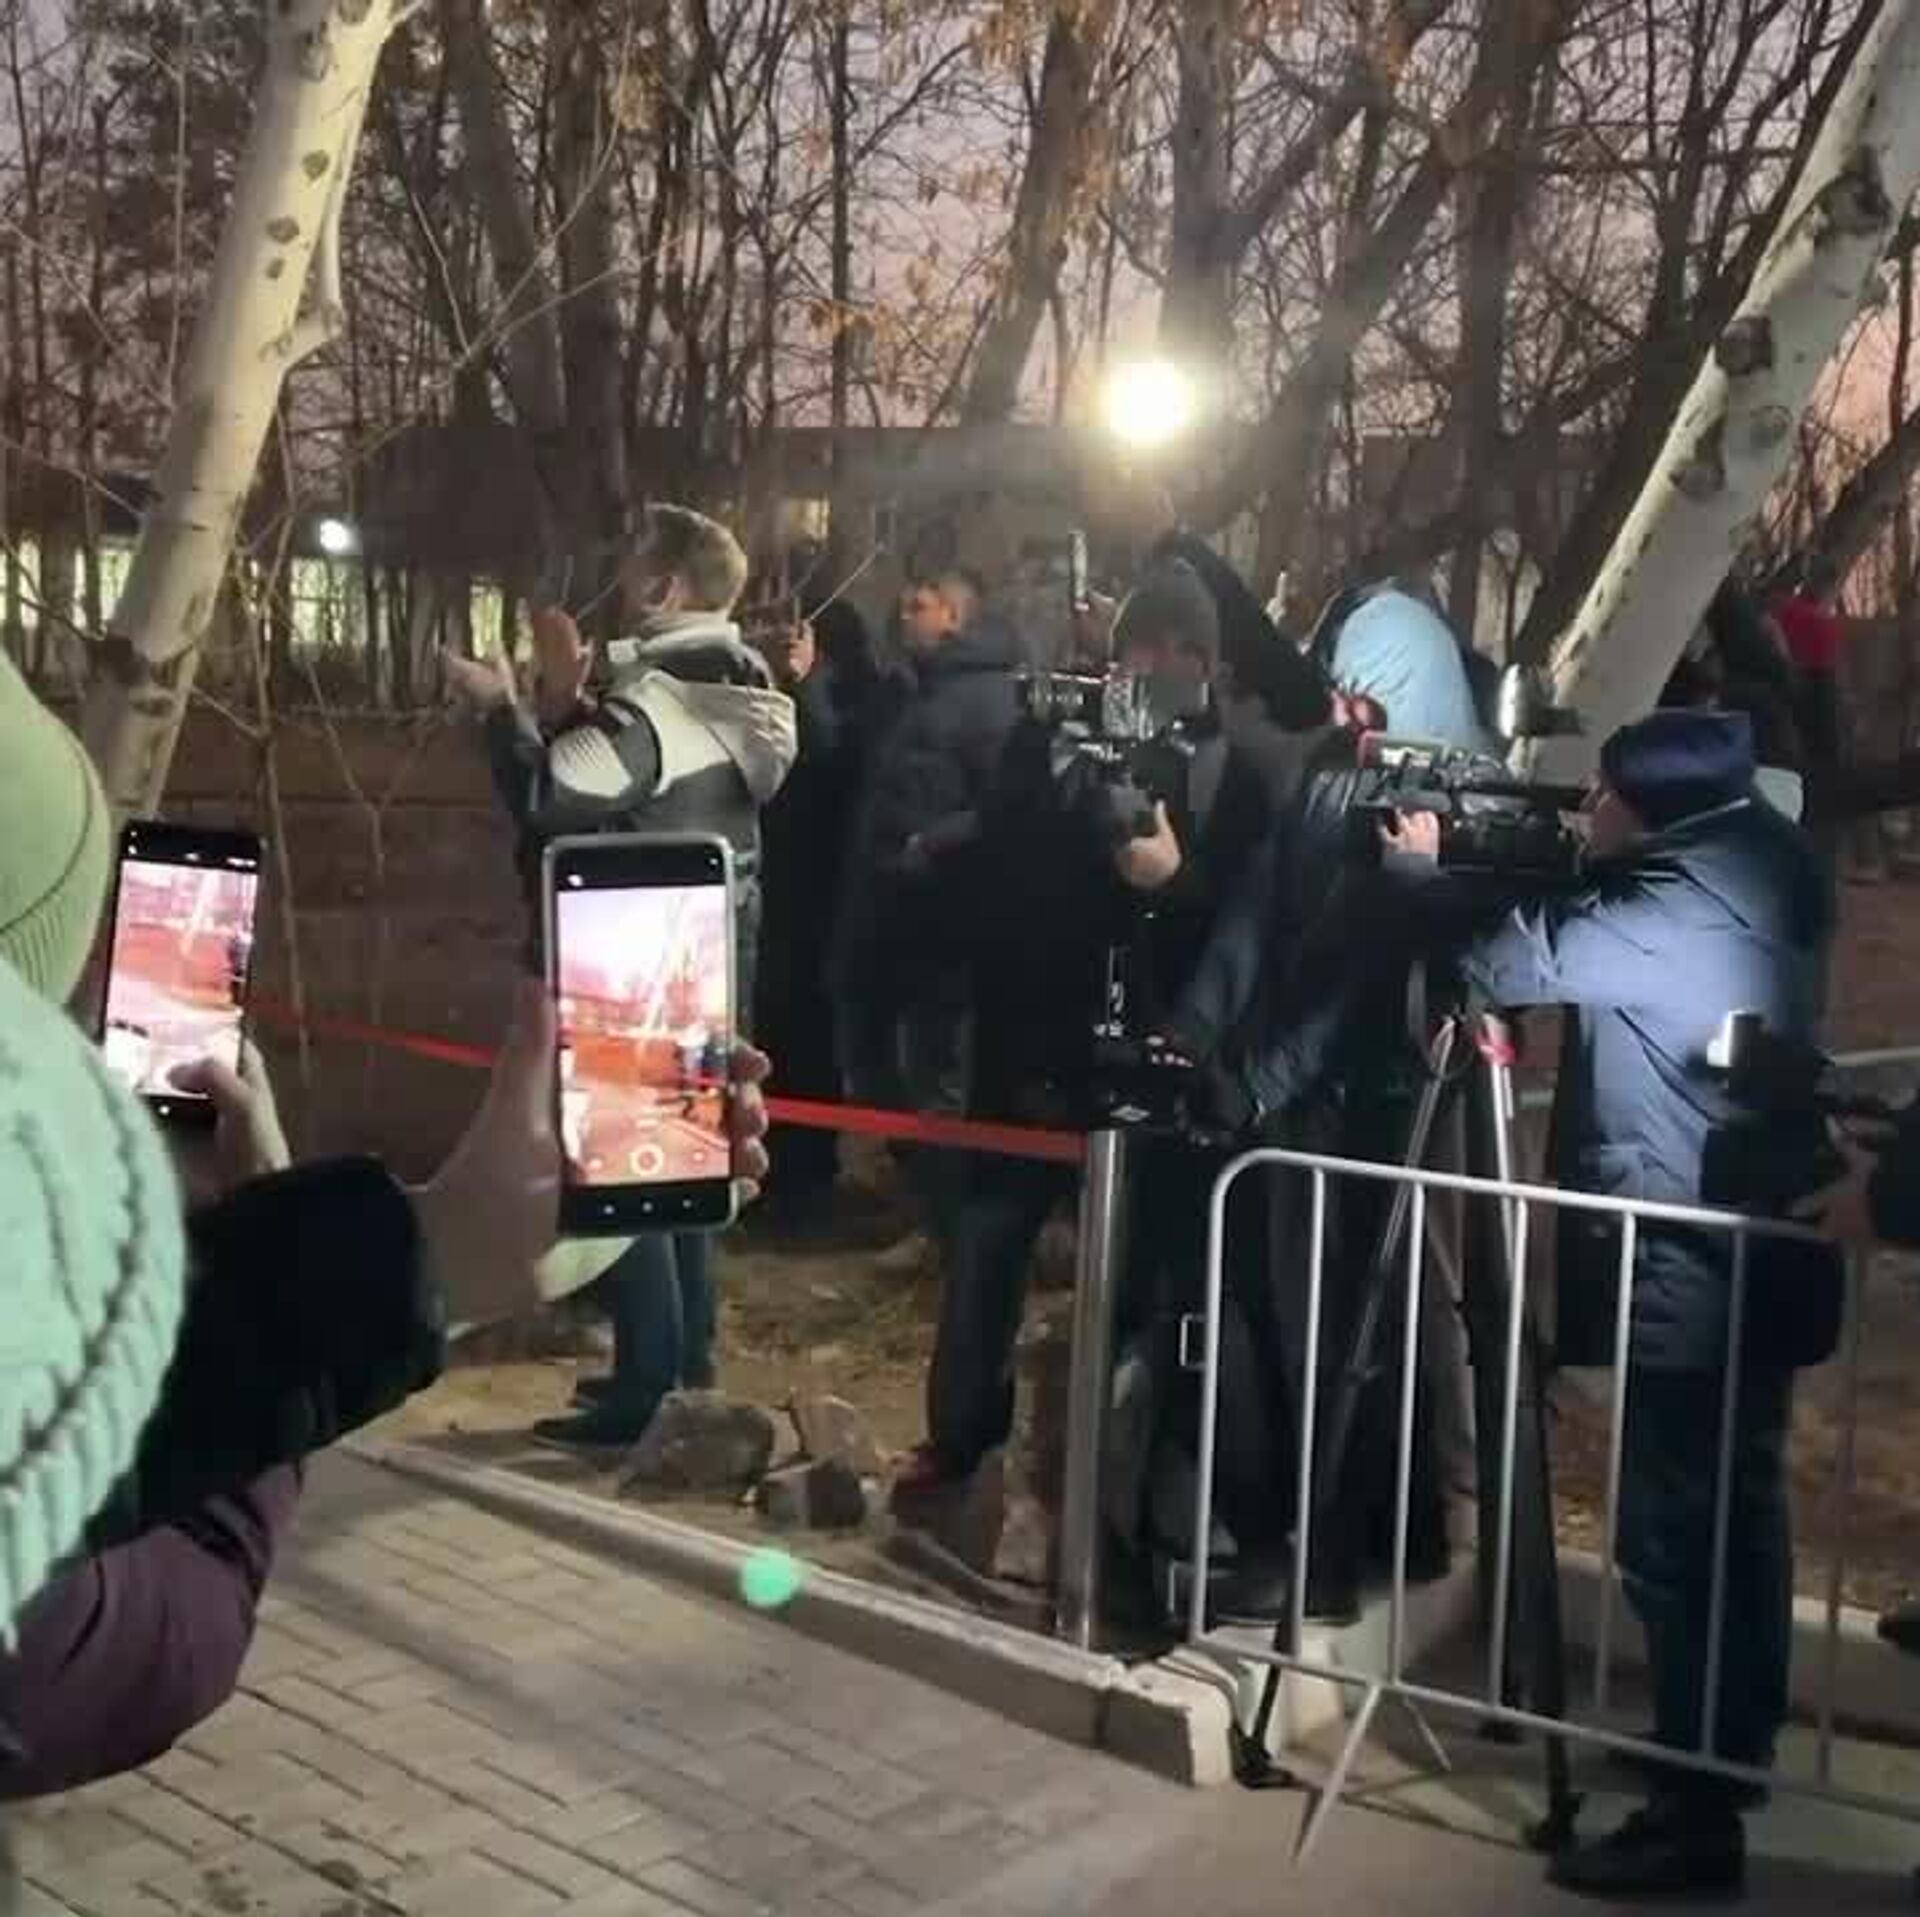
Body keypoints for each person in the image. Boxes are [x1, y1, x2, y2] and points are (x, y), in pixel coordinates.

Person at [1385, 708, 1838, 1899]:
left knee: (1674, 1537)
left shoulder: (1669, 907)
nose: (1587, 813)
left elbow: (1506, 960)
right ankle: (1722, 1750)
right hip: (1756, 1237)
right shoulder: (1766, 862)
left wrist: (1424, 869)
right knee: (1741, 1517)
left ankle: (1695, 1821)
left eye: (1602, 798)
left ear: (1654, 809)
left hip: (1690, 1260)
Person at [890, 561, 1276, 1559]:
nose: (1146, 671)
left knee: (1145, 1277)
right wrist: (1057, 772)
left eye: (1168, 655)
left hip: (1155, 1059)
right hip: (1031, 1040)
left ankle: (1129, 1470)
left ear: (1203, 662)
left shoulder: (1237, 776)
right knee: (988, 1248)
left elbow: (1239, 919)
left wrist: (1170, 879)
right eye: (1133, 652)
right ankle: (959, 1439)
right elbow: (1007, 856)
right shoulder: (1052, 738)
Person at [448, 503, 797, 1449]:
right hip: (704, 952)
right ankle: (682, 1369)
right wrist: (567, 702)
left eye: (634, 566)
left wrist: (498, 708)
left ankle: (647, 1390)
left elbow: (549, 793)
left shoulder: (660, 705)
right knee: (686, 1172)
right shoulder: (737, 687)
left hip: (637, 958)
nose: (621, 582)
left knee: (631, 1172)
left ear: (665, 587)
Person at [831, 569, 1026, 1263]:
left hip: (942, 923)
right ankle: (926, 1203)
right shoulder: (910, 692)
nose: (903, 614)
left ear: (956, 616)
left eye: (919, 605)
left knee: (934, 1077)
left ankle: (948, 1231)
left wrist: (931, 844)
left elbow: (1005, 808)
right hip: (885, 920)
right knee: (874, 1062)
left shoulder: (991, 700)